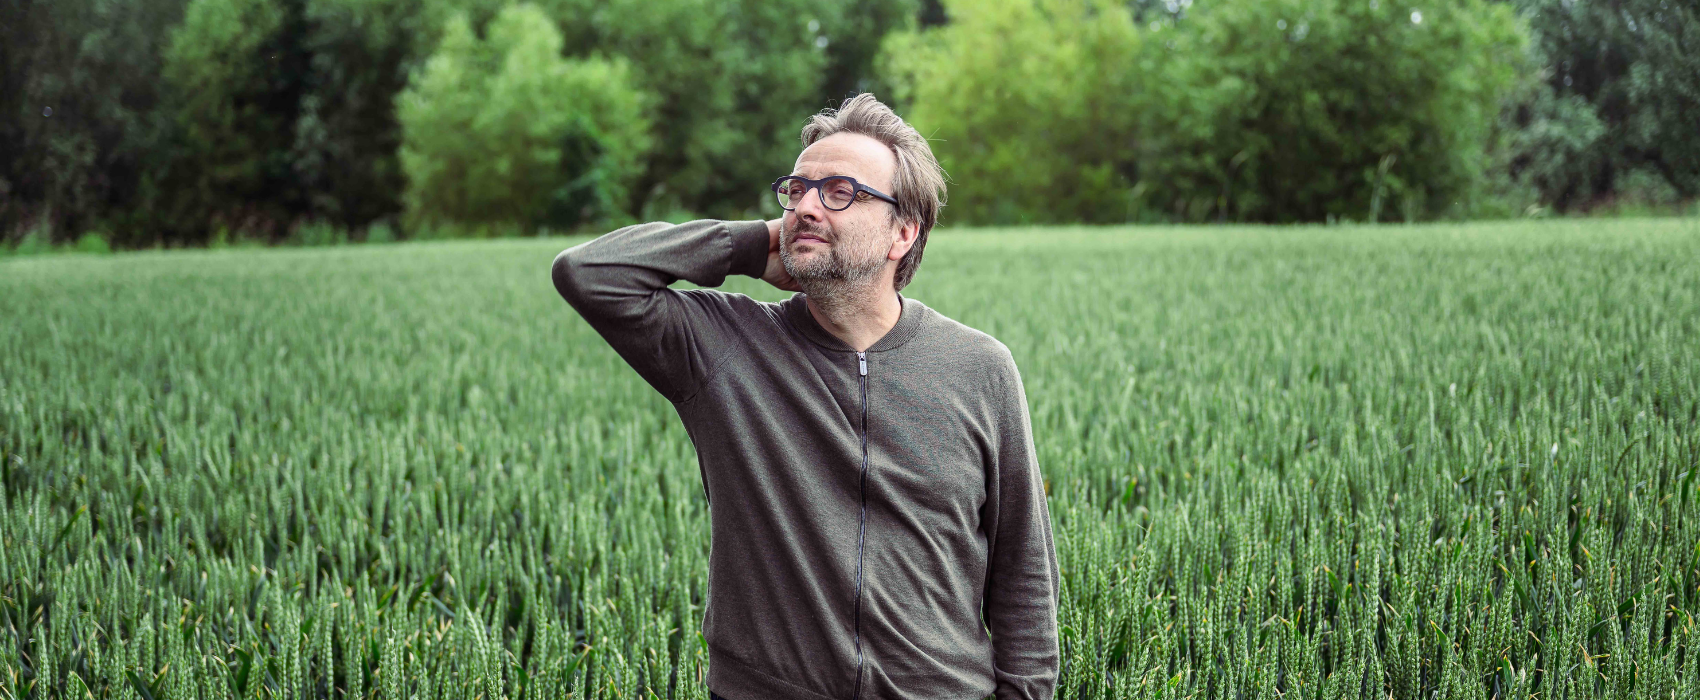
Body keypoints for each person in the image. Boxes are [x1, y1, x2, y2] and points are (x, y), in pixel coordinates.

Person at [551, 93, 1058, 700]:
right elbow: (590, 273)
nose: (807, 207)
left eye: (840, 192)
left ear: (902, 233)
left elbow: (1023, 570)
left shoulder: (979, 368)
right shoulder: (725, 346)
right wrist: (753, 244)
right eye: (796, 192)